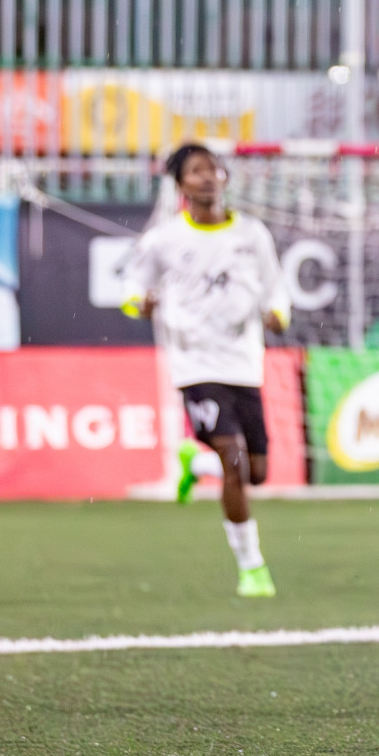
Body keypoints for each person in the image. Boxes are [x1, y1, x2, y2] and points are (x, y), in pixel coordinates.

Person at [123, 143, 290, 598]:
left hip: (244, 364)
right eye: (196, 171)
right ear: (180, 185)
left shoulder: (252, 235)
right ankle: (252, 567)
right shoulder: (164, 240)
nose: (208, 177)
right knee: (235, 462)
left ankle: (194, 462)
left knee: (256, 473)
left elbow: (276, 288)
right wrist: (141, 303)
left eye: (214, 169)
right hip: (194, 364)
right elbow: (131, 287)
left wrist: (279, 314)